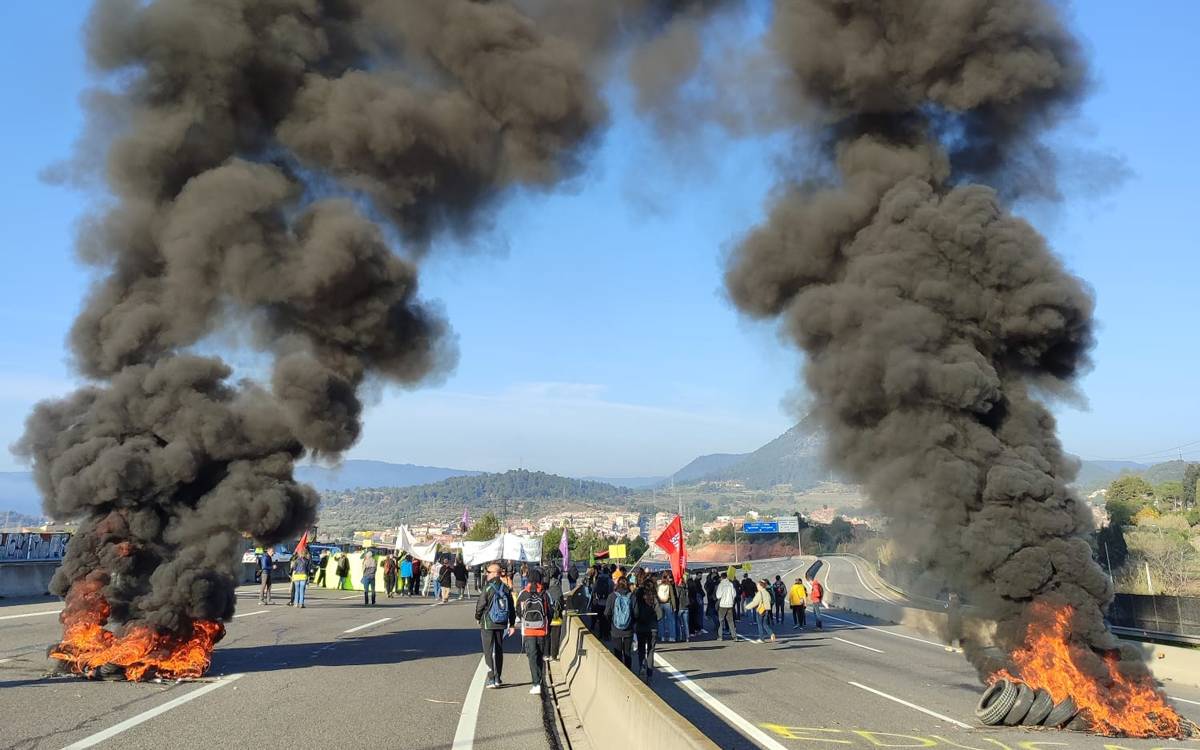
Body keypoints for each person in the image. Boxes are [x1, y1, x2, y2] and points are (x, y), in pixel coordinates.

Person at [475, 562, 516, 689]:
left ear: (494, 573)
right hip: (501, 623)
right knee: (499, 650)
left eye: (488, 572)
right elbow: (511, 608)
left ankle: (491, 678)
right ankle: (498, 678)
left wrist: (477, 617)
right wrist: (512, 624)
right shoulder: (505, 588)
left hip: (488, 622)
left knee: (488, 651)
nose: (486, 574)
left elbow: (480, 605)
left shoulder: (488, 588)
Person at [517, 568, 553, 694]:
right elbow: (550, 612)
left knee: (532, 657)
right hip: (542, 630)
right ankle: (540, 681)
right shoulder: (544, 593)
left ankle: (536, 683)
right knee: (540, 656)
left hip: (528, 631)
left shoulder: (523, 594)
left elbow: (519, 611)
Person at [605, 577, 635, 669]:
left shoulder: (612, 596)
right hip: (628, 629)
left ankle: (619, 671)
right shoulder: (632, 596)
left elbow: (607, 613)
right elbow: (636, 612)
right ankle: (628, 671)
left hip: (615, 629)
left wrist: (611, 623)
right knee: (627, 653)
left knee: (617, 652)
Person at [633, 581, 661, 678]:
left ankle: (641, 667)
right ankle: (649, 673)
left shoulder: (639, 599)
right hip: (653, 628)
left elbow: (635, 613)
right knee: (650, 650)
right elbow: (660, 615)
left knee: (641, 650)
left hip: (641, 627)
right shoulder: (654, 599)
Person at [751, 579, 776, 643]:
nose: (757, 586)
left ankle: (762, 638)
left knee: (759, 624)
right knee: (764, 623)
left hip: (760, 609)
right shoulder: (768, 589)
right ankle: (771, 633)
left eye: (758, 585)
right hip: (766, 608)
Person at [715, 571, 737, 641]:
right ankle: (734, 636)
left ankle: (720, 636)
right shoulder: (731, 584)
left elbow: (718, 596)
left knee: (721, 621)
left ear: (721, 577)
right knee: (730, 621)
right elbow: (734, 594)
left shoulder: (721, 585)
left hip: (722, 605)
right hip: (730, 604)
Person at [655, 572, 676, 643]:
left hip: (660, 604)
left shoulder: (658, 586)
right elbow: (672, 596)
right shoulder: (669, 585)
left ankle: (662, 637)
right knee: (671, 621)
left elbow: (656, 595)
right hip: (668, 604)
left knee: (661, 621)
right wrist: (674, 606)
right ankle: (672, 637)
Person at [674, 575, 690, 643]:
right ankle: (687, 638)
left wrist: (676, 585)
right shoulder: (686, 588)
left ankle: (679, 637)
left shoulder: (678, 589)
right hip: (686, 607)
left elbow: (677, 597)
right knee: (686, 623)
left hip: (680, 607)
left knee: (679, 623)